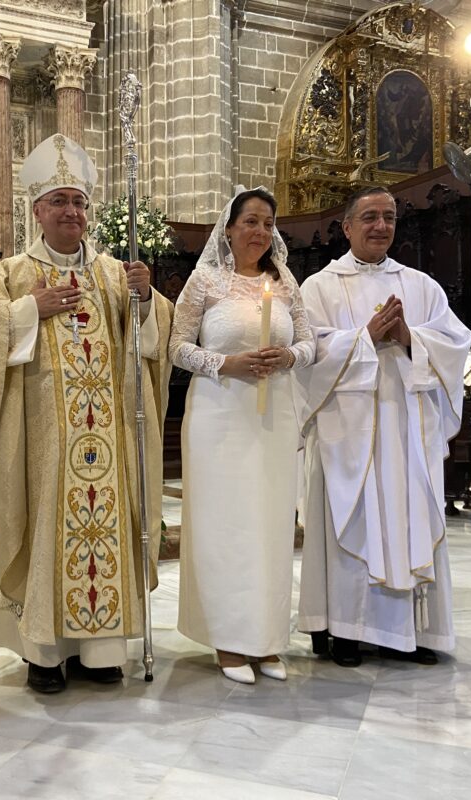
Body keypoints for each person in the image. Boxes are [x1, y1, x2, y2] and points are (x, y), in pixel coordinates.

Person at [0, 133, 173, 694]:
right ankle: (44, 653)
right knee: (48, 524)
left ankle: (99, 651)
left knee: (106, 528)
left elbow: (152, 343)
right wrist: (27, 310)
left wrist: (146, 302)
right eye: (59, 202)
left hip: (111, 437)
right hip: (43, 444)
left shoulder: (115, 274)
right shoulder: (13, 274)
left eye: (78, 203)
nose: (71, 212)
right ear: (37, 211)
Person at [295, 186, 471, 667]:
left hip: (407, 430)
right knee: (356, 521)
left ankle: (412, 634)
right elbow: (306, 355)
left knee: (407, 520)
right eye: (369, 217)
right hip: (347, 433)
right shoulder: (319, 288)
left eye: (389, 217)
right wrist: (365, 339)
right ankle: (347, 631)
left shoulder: (421, 286)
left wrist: (409, 336)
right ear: (347, 226)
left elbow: (455, 343)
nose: (381, 226)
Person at [170, 187, 315, 684]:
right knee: (225, 527)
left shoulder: (285, 281)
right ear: (228, 229)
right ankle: (229, 640)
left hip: (272, 415)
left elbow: (309, 341)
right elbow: (177, 348)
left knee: (270, 526)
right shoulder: (205, 281)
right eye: (250, 221)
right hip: (219, 415)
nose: (259, 231)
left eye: (268, 223)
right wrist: (223, 362)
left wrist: (291, 357)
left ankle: (266, 639)